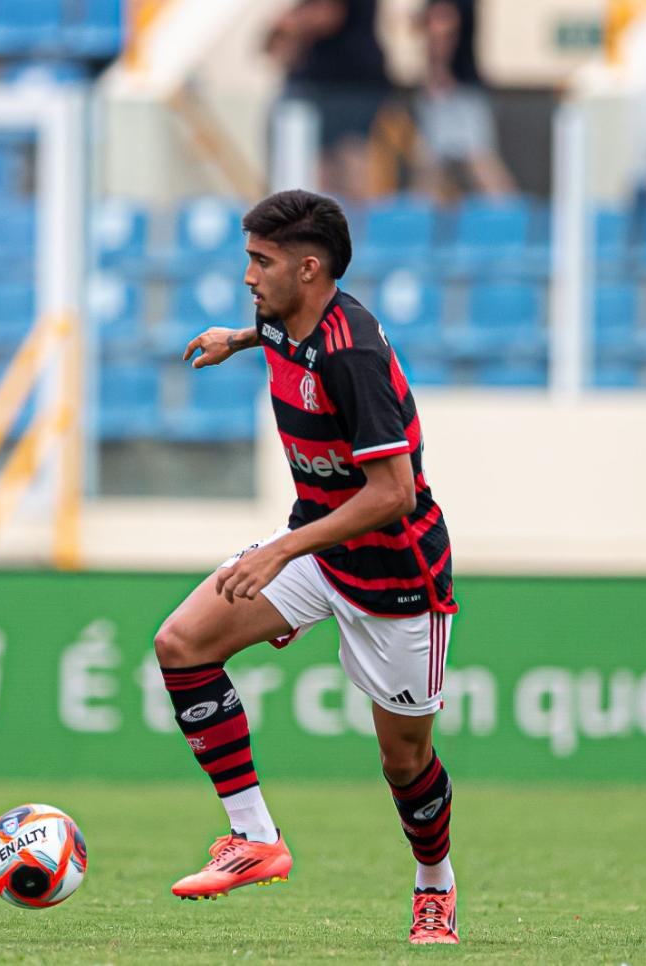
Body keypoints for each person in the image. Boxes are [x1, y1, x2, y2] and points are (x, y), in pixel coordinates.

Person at [165, 190, 459, 944]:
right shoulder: (286, 320)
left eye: (259, 263)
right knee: (183, 645)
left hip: (396, 574)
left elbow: (393, 494)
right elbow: (273, 333)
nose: (247, 277)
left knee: (405, 761)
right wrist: (237, 338)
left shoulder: (351, 353)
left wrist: (282, 550)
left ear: (308, 268)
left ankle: (435, 884)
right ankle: (255, 839)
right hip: (320, 547)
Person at [266, 0, 390, 202]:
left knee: (348, 162)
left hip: (347, 85)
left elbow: (328, 16)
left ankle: (348, 227)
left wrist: (293, 22)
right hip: (332, 83)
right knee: (325, 168)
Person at [413, 0, 515, 198]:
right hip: (459, 87)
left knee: (477, 160)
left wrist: (438, 71)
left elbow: (441, 26)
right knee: (431, 166)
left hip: (451, 90)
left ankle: (510, 220)